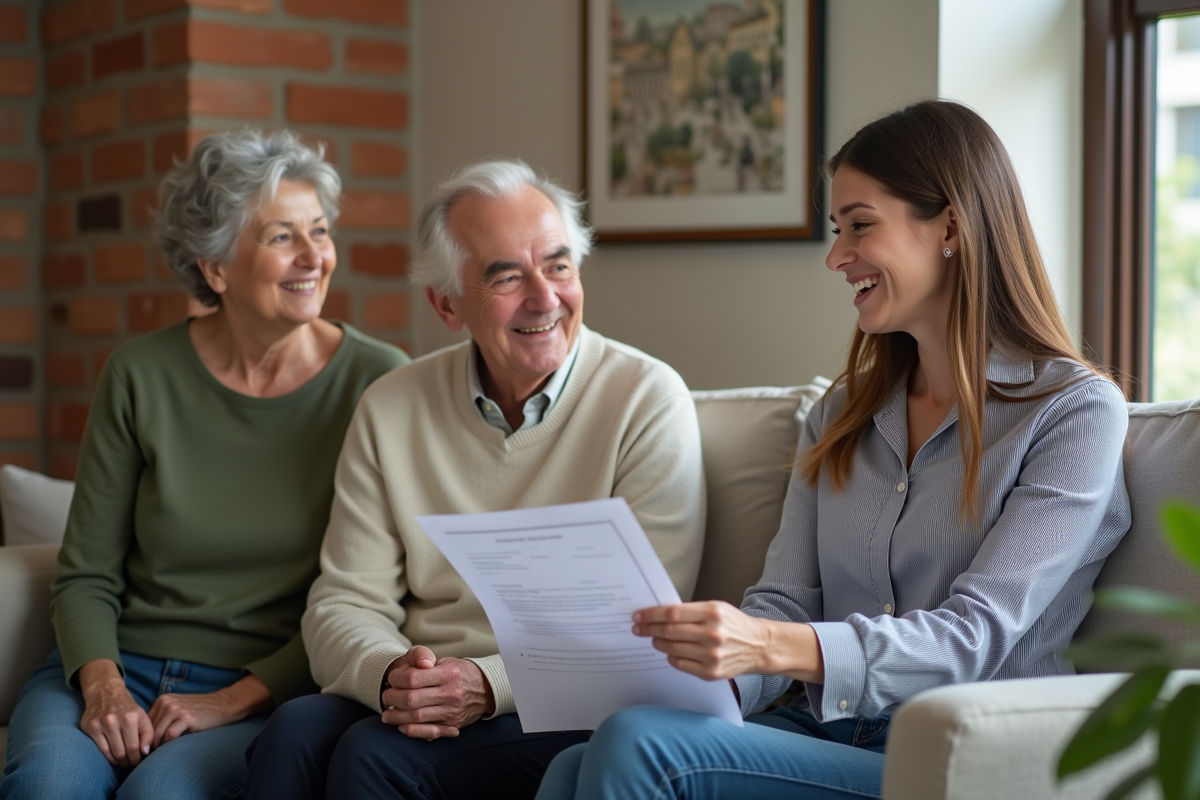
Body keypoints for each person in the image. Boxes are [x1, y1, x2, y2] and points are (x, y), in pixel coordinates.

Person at [533, 100, 1133, 800]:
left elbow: (976, 635)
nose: (836, 256)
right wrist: (691, 667)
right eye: (836, 229)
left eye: (860, 226)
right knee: (580, 758)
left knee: (645, 750)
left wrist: (765, 645)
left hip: (958, 764)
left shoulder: (1075, 413)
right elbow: (785, 603)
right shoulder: (842, 415)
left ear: (951, 226)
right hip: (829, 736)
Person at [243, 159, 706, 800]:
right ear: (446, 304)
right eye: (507, 276)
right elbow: (343, 600)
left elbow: (640, 623)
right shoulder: (391, 405)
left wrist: (485, 682)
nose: (544, 297)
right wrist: (390, 675)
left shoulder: (646, 399)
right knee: (294, 729)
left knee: (375, 755)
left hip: (576, 702)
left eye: (559, 264)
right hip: (425, 684)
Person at [0, 130, 409, 800]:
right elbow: (85, 574)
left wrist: (236, 698)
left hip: (262, 688)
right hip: (117, 666)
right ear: (214, 268)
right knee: (47, 786)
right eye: (283, 237)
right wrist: (102, 687)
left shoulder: (377, 381)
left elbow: (372, 594)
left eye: (321, 231)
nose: (315, 257)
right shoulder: (139, 374)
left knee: (158, 797)